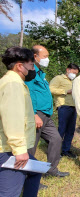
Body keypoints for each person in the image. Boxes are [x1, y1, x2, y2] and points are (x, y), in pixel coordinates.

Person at [0, 47, 42, 196]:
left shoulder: (13, 82)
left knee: (35, 171)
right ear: (20, 66)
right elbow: (12, 118)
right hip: (8, 149)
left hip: (10, 147)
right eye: (31, 66)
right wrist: (19, 150)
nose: (33, 70)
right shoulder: (13, 84)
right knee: (9, 192)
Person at [25, 45, 69, 177]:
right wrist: (33, 114)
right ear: (35, 57)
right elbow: (29, 93)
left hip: (46, 115)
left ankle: (52, 170)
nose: (47, 59)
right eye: (45, 56)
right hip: (36, 114)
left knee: (56, 139)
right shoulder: (30, 72)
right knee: (31, 146)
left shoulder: (40, 73)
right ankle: (28, 177)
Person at [50, 63, 80, 158]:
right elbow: (50, 89)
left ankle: (65, 150)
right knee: (61, 129)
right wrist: (66, 91)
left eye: (76, 73)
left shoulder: (75, 81)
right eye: (73, 72)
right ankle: (56, 151)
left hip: (73, 107)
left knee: (70, 130)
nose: (74, 74)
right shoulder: (59, 78)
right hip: (63, 106)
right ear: (68, 70)